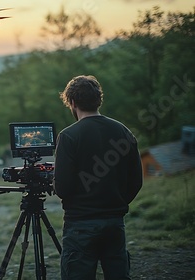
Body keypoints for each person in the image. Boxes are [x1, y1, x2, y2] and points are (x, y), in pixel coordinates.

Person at [54, 75, 143, 279]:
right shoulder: (123, 131)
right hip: (114, 223)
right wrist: (116, 203)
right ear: (98, 100)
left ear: (72, 102)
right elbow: (136, 181)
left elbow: (63, 188)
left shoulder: (69, 136)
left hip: (80, 225)